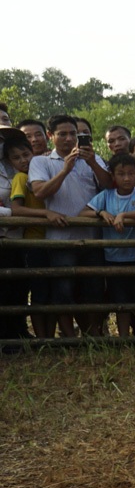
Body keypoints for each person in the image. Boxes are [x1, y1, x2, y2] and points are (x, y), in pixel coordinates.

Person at [28, 114, 113, 337]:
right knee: (63, 290)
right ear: (51, 136)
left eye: (73, 134)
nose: (68, 138)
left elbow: (109, 185)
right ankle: (69, 337)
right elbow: (40, 192)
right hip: (60, 239)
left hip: (92, 237)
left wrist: (92, 162)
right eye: (62, 134)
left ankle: (93, 335)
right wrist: (65, 169)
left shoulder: (93, 158)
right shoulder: (41, 162)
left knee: (94, 289)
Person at [80, 153, 135, 336]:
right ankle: (123, 339)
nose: (126, 178)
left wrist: (124, 215)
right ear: (113, 176)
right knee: (120, 301)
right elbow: (83, 213)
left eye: (131, 173)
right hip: (113, 258)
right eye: (121, 174)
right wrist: (101, 213)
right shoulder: (106, 195)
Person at [7, 133, 64, 338]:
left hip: (51, 238)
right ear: (10, 162)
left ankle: (49, 336)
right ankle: (42, 338)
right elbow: (16, 209)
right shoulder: (21, 178)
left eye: (26, 154)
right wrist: (46, 213)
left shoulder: (43, 172)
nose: (23, 160)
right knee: (39, 292)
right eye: (16, 158)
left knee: (52, 291)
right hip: (34, 242)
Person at [0, 131, 33, 342]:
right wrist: (12, 214)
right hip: (4, 236)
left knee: (20, 286)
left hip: (22, 236)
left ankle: (19, 331)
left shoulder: (25, 167)